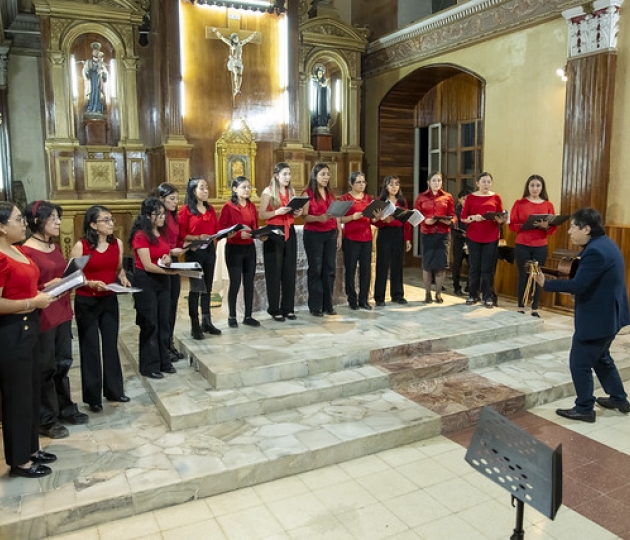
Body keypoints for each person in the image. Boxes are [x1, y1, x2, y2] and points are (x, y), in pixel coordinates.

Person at [536, 208, 630, 422]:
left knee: (579, 361)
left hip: (599, 319)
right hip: (610, 315)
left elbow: (579, 284)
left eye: (573, 227)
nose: (569, 232)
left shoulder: (595, 251)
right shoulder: (605, 243)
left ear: (586, 228)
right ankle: (619, 398)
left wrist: (546, 284)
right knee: (601, 358)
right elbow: (593, 283)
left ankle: (584, 408)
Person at [22, 201, 88, 438]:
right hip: (43, 315)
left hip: (61, 310)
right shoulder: (26, 251)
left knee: (63, 363)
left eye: (58, 217)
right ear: (37, 221)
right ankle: (46, 419)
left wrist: (69, 279)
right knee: (46, 367)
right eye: (53, 218)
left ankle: (64, 408)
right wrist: (45, 286)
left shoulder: (54, 246)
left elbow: (59, 275)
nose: (59, 221)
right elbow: (25, 287)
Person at [0, 201, 57, 478]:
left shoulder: (17, 251)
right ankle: (19, 461)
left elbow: (28, 287)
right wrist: (31, 302)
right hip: (11, 332)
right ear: (1, 227)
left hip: (30, 327)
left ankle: (32, 448)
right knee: (17, 397)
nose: (24, 224)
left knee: (32, 391)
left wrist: (49, 287)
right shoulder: (0, 256)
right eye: (18, 219)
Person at [70, 205, 131, 412]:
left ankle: (115, 390)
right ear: (93, 225)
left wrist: (122, 277)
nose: (111, 223)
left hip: (108, 299)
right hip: (87, 301)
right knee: (91, 347)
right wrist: (90, 283)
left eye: (111, 219)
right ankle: (93, 396)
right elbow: (73, 276)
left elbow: (118, 268)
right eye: (105, 220)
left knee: (110, 344)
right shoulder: (82, 246)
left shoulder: (117, 244)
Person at [130, 198, 176, 379]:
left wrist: (168, 261)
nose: (163, 217)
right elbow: (147, 265)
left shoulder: (162, 233)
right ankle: (149, 365)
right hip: (146, 281)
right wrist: (170, 272)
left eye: (164, 213)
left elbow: (166, 255)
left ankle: (164, 360)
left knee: (164, 321)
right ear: (148, 216)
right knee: (150, 323)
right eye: (159, 214)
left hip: (162, 281)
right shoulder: (141, 235)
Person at [178, 177, 221, 339]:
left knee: (207, 288)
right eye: (202, 188)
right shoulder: (185, 210)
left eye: (207, 188)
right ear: (193, 191)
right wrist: (196, 237)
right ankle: (194, 324)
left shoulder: (209, 209)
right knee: (196, 289)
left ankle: (207, 321)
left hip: (209, 250)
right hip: (194, 252)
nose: (206, 191)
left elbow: (216, 229)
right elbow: (181, 234)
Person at [509, 175, 557, 317]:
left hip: (540, 244)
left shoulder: (548, 205)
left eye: (538, 186)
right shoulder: (519, 203)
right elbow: (512, 225)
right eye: (532, 185)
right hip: (522, 244)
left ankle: (535, 307)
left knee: (537, 275)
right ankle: (521, 306)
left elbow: (553, 229)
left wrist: (545, 226)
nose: (535, 188)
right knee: (523, 275)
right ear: (527, 187)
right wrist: (525, 225)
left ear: (542, 188)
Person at [259, 162, 302, 322]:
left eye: (289, 174)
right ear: (276, 175)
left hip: (289, 231)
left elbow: (295, 213)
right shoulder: (268, 192)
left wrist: (297, 211)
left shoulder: (291, 191)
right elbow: (262, 215)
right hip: (274, 233)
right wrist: (277, 211)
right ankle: (274, 308)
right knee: (274, 272)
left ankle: (288, 308)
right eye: (285, 174)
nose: (288, 177)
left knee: (289, 271)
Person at [217, 176, 260, 328]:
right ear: (235, 189)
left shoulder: (252, 206)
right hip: (234, 248)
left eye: (249, 187)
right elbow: (221, 230)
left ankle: (248, 316)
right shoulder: (228, 207)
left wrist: (259, 234)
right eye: (243, 187)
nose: (247, 189)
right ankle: (232, 316)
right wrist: (236, 234)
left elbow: (254, 226)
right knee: (235, 283)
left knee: (249, 283)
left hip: (249, 248)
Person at [461, 172, 506, 308]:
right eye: (483, 181)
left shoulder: (496, 197)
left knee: (488, 269)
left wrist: (500, 219)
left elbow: (501, 217)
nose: (486, 184)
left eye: (488, 182)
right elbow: (463, 217)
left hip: (491, 236)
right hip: (474, 236)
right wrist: (473, 217)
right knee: (475, 267)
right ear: (477, 183)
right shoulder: (470, 197)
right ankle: (473, 295)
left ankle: (488, 296)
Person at [302, 162, 341, 317]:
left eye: (328, 174)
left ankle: (328, 304)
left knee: (330, 269)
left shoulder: (331, 193)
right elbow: (304, 216)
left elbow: (336, 215)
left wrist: (339, 234)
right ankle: (315, 306)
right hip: (314, 234)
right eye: (323, 174)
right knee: (316, 269)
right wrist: (319, 218)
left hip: (330, 233)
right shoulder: (307, 193)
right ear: (315, 176)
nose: (326, 177)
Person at [414, 172, 454, 304]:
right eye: (434, 180)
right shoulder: (421, 197)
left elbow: (453, 215)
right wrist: (425, 221)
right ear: (428, 182)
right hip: (427, 233)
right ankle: (427, 294)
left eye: (439, 181)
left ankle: (438, 293)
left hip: (443, 233)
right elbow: (415, 216)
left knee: (441, 265)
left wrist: (450, 221)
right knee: (427, 264)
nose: (437, 183)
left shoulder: (448, 197)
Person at [156, 183, 186, 361]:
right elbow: (154, 240)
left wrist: (184, 247)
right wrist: (169, 250)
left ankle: (169, 342)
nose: (176, 202)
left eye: (177, 199)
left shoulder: (174, 217)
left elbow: (178, 238)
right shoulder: (158, 217)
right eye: (171, 199)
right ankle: (162, 345)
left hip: (173, 261)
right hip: (160, 261)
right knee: (164, 305)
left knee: (173, 302)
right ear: (161, 199)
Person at [339, 172, 377, 310]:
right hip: (351, 238)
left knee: (366, 270)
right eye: (359, 182)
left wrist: (376, 217)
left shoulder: (368, 198)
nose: (362, 185)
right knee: (351, 270)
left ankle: (364, 299)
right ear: (351, 184)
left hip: (366, 237)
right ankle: (352, 299)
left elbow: (372, 219)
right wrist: (352, 218)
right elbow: (339, 219)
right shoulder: (345, 199)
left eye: (364, 182)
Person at [373, 175, 412, 306]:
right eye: (391, 184)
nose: (394, 187)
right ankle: (379, 297)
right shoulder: (380, 201)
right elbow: (375, 223)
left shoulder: (402, 202)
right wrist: (383, 221)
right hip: (385, 233)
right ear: (385, 186)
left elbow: (406, 222)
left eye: (396, 184)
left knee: (397, 265)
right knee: (382, 265)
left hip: (398, 234)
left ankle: (397, 295)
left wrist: (407, 239)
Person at [211, 28, 258, 97]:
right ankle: (236, 89)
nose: (236, 39)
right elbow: (222, 38)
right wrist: (216, 31)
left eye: (237, 37)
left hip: (239, 61)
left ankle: (238, 88)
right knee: (236, 73)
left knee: (240, 75)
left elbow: (248, 39)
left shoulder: (241, 43)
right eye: (235, 38)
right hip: (234, 60)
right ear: (232, 39)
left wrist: (253, 34)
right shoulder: (231, 44)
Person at [451, 189, 471, 296]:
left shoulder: (472, 212)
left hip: (470, 242)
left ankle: (469, 286)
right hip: (459, 242)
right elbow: (452, 230)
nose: (466, 201)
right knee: (457, 264)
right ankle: (456, 287)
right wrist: (461, 235)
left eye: (468, 199)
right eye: (464, 199)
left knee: (472, 265)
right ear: (459, 200)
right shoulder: (455, 213)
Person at [83, 42, 107, 115]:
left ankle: (98, 109)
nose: (96, 52)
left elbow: (105, 73)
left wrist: (102, 73)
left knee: (98, 93)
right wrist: (87, 72)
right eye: (94, 50)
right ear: (92, 51)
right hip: (91, 80)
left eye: (97, 50)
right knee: (92, 93)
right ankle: (90, 108)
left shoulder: (101, 63)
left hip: (98, 80)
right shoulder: (88, 62)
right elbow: (85, 71)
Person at [311, 65, 331, 130]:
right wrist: (319, 85)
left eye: (321, 73)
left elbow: (327, 90)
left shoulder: (324, 81)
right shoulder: (314, 82)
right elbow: (315, 89)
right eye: (319, 73)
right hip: (317, 100)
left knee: (323, 111)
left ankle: (324, 123)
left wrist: (324, 86)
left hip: (323, 100)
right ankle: (318, 123)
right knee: (318, 111)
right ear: (317, 74)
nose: (320, 74)